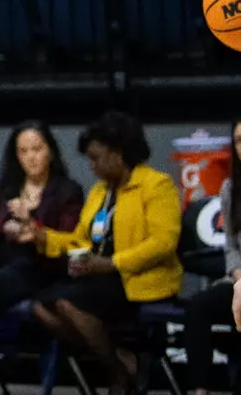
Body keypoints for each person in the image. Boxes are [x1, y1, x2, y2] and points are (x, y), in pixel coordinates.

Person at [12, 111, 182, 395]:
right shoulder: (100, 192)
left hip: (137, 280)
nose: (91, 166)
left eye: (96, 158)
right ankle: (121, 362)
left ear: (118, 154)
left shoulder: (156, 185)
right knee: (40, 305)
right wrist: (43, 236)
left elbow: (163, 243)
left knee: (67, 303)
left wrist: (111, 263)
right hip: (101, 279)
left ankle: (117, 377)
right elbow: (81, 240)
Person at [0, 121, 83, 395]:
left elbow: (69, 241)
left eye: (37, 149)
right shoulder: (4, 186)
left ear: (50, 151)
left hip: (39, 266)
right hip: (2, 258)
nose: (31, 157)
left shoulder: (67, 190)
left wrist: (30, 224)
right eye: (23, 151)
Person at [185, 119, 241, 395]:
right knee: (198, 307)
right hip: (239, 281)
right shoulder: (231, 188)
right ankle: (201, 388)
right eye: (239, 140)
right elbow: (231, 244)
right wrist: (237, 275)